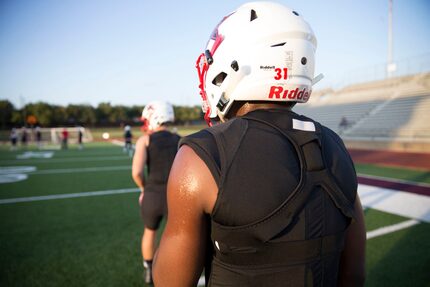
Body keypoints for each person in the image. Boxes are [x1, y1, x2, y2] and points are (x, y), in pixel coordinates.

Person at [153, 2, 366, 287]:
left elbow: (171, 282)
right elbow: (353, 274)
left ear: (235, 63)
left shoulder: (202, 156)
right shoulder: (335, 145)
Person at [131, 101, 180, 285]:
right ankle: (176, 270)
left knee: (149, 232)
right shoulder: (179, 139)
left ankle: (149, 271)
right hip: (174, 195)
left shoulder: (146, 140)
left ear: (154, 116)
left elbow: (136, 172)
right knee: (176, 236)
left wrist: (144, 189)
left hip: (152, 194)